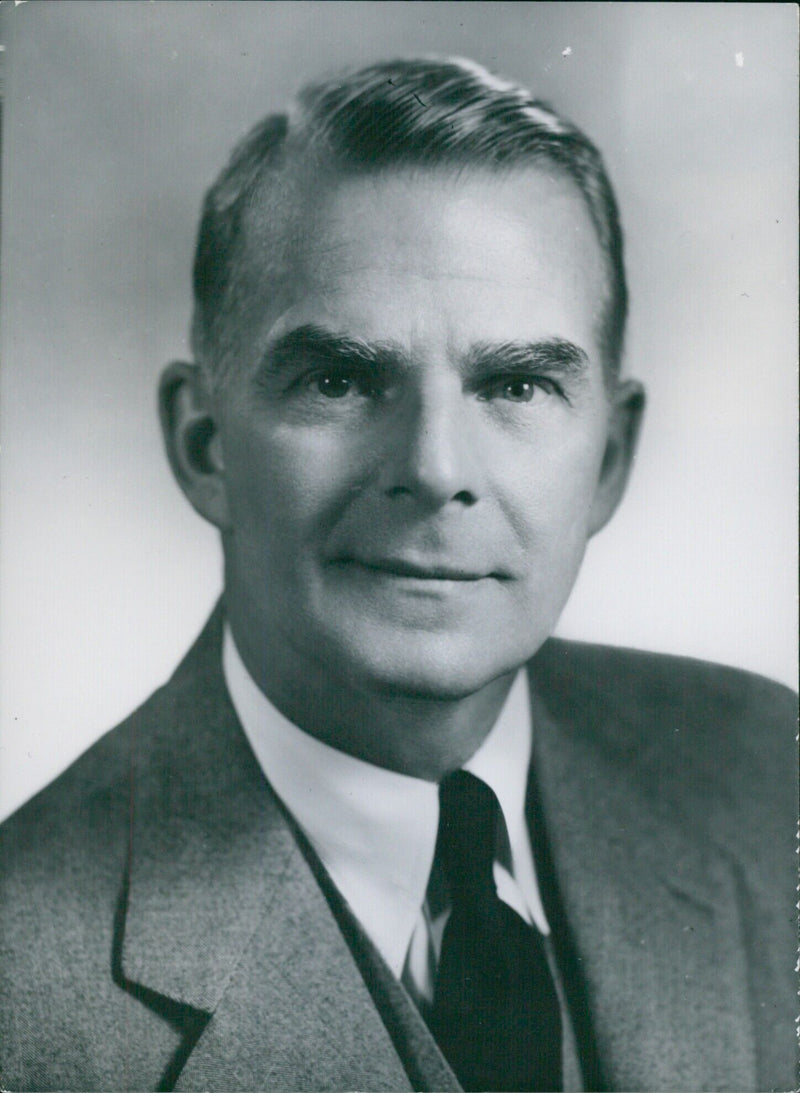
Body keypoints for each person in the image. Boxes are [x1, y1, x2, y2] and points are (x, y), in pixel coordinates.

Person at [0, 57, 794, 1093]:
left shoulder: (764, 777)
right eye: (339, 379)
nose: (433, 468)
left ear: (607, 460)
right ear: (203, 446)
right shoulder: (24, 993)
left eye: (513, 383)